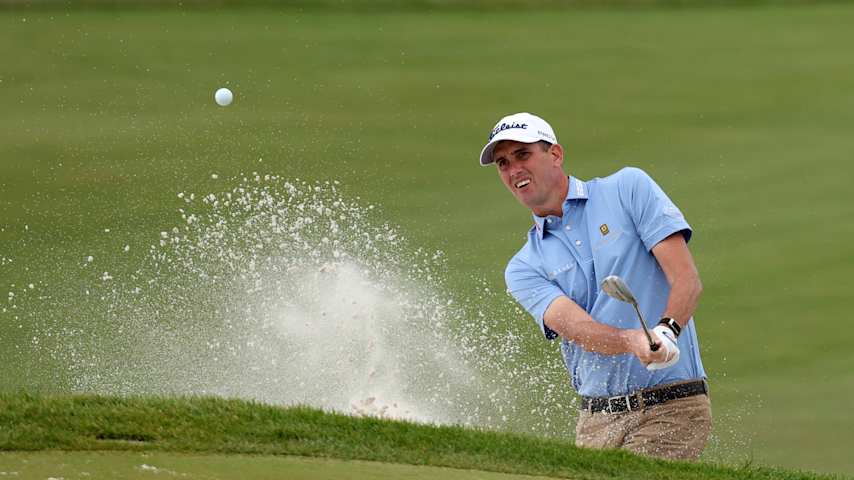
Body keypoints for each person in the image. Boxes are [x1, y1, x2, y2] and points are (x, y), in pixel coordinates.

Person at [480, 112, 711, 460]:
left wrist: (667, 331)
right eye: (502, 163)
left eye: (522, 155)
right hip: (595, 421)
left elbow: (686, 279)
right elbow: (576, 328)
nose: (513, 171)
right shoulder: (523, 267)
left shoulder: (627, 188)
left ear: (555, 154)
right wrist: (630, 340)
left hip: (672, 405)